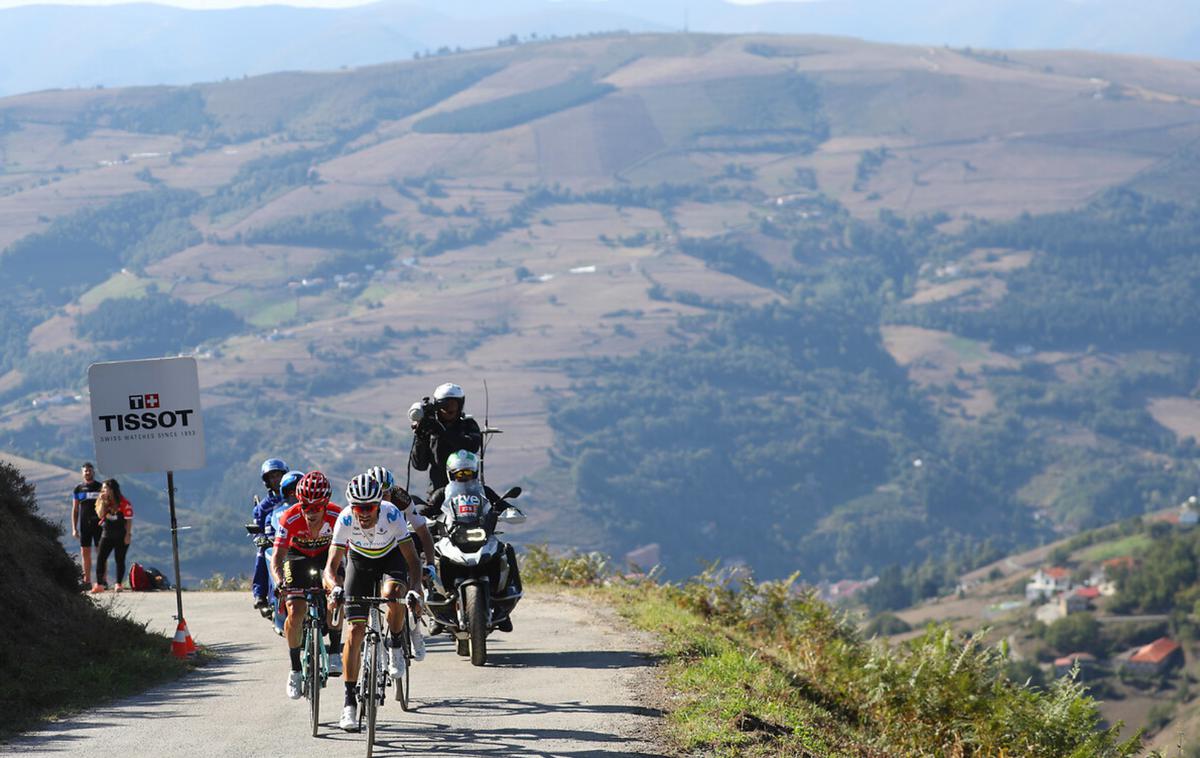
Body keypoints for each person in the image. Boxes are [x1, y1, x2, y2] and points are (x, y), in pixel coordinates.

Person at [324, 474, 424, 732]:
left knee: (393, 594)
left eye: (369, 508)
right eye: (358, 508)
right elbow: (330, 568)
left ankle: (394, 645)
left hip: (391, 558)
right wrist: (334, 588)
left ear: (379, 504)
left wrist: (414, 589)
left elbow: (412, 561)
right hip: (360, 561)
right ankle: (349, 703)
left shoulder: (392, 515)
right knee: (355, 630)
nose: (364, 513)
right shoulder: (345, 519)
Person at [421, 450, 522, 631]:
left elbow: (502, 504)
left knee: (505, 551)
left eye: (467, 473)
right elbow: (427, 509)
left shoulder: (484, 491)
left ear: (474, 472)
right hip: (451, 537)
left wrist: (510, 511)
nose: (464, 477)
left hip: (482, 535)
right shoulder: (442, 493)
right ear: (451, 474)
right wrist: (423, 517)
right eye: (459, 473)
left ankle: (504, 608)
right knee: (428, 556)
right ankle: (433, 610)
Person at [270, 471, 344, 699]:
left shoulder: (337, 515)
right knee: (295, 609)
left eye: (316, 507)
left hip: (326, 556)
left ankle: (334, 651)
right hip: (297, 557)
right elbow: (277, 556)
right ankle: (294, 669)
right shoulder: (289, 517)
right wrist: (279, 581)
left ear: (326, 503)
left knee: (336, 593)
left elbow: (345, 553)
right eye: (305, 506)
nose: (310, 512)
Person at [409, 383, 481, 497]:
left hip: (469, 491)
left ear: (460, 405)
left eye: (452, 405)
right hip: (438, 492)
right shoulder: (430, 427)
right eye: (444, 406)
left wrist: (442, 432)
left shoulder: (468, 424)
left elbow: (472, 446)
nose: (448, 410)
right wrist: (420, 437)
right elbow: (420, 465)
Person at [251, 458, 289, 612]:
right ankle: (260, 594)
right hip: (272, 542)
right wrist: (260, 538)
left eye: (278, 475)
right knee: (261, 554)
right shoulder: (262, 507)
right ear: (266, 481)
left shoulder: (295, 498)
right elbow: (258, 529)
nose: (275, 480)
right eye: (271, 477)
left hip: (294, 540)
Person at [94, 479, 133, 592]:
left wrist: (128, 535)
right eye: (103, 488)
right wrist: (103, 502)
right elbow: (101, 515)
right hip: (107, 534)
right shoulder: (102, 500)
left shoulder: (124, 502)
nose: (103, 490)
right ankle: (100, 584)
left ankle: (118, 584)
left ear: (112, 490)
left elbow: (129, 520)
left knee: (120, 559)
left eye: (105, 488)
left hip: (121, 534)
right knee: (101, 558)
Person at [71, 462, 103, 592]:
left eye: (89, 470)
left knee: (101, 553)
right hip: (84, 525)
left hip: (99, 525)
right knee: (85, 553)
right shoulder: (78, 489)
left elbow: (107, 504)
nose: (87, 473)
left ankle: (102, 581)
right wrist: (74, 528)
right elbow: (75, 509)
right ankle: (87, 581)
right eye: (85, 471)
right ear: (82, 473)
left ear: (93, 472)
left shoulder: (100, 487)